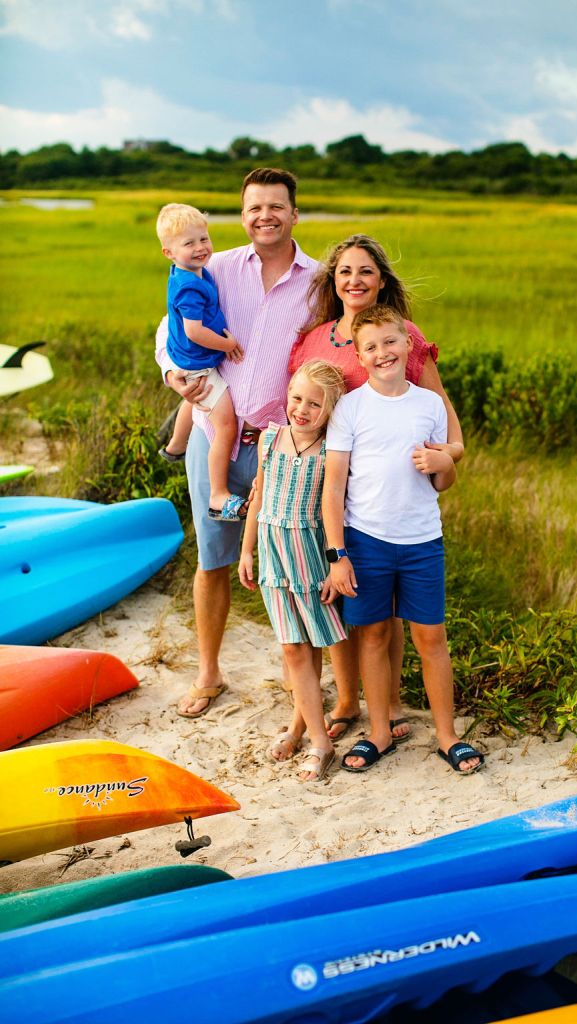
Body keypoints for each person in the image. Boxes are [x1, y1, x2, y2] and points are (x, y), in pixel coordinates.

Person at [290, 234, 465, 744]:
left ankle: (385, 711)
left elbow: (449, 437)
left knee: (390, 622)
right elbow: (297, 402)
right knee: (344, 607)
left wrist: (445, 460)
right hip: (329, 495)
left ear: (381, 279)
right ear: (333, 280)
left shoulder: (403, 333)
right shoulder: (315, 338)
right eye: (345, 271)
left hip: (399, 506)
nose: (355, 280)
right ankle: (348, 702)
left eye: (365, 271)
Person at [155, 168, 317, 718]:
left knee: (293, 562)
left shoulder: (318, 282)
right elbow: (168, 333)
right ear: (243, 215)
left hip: (281, 447)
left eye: (276, 207)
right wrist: (172, 376)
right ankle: (208, 674)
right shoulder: (214, 265)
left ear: (295, 213)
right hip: (213, 435)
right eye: (254, 208)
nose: (264, 216)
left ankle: (300, 685)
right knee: (213, 559)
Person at [322, 305, 485, 776]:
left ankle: (448, 735)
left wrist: (446, 467)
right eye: (370, 347)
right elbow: (334, 488)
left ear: (408, 344)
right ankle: (377, 732)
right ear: (359, 355)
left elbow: (442, 481)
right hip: (366, 539)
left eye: (390, 342)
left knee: (430, 636)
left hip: (421, 541)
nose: (382, 353)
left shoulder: (428, 405)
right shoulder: (351, 408)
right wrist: (338, 555)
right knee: (372, 634)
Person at [238, 360, 347, 781]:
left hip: (307, 558)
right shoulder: (270, 439)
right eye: (296, 398)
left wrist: (333, 566)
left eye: (314, 404)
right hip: (271, 552)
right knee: (290, 648)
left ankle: (315, 738)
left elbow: (333, 510)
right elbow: (259, 498)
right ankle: (305, 729)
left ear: (330, 410)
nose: (301, 409)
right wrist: (247, 551)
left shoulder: (329, 452)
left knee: (308, 645)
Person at [156, 203, 246, 520]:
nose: (200, 248)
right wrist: (227, 344)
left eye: (203, 239)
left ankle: (175, 446)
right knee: (225, 425)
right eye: (189, 243)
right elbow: (194, 331)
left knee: (193, 401)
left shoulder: (191, 272)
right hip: (198, 363)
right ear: (168, 252)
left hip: (189, 361)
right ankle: (219, 495)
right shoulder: (189, 285)